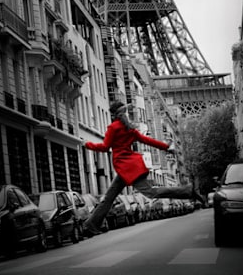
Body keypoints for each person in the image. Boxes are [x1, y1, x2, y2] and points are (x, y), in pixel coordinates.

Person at [82, 100, 203, 236]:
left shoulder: (113, 128)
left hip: (126, 168)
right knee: (109, 198)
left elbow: (105, 147)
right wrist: (166, 147)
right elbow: (147, 140)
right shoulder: (130, 128)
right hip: (130, 168)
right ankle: (91, 225)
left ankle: (187, 191)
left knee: (150, 193)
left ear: (114, 115)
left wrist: (87, 144)